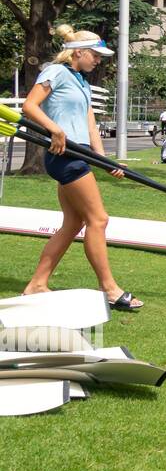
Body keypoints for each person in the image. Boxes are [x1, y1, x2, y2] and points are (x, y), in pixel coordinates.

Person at [20, 26, 140, 311]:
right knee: (99, 220)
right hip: (64, 156)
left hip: (80, 154)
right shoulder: (56, 72)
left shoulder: (81, 81)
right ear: (79, 52)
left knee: (74, 223)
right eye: (95, 55)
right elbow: (30, 106)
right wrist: (55, 131)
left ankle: (37, 284)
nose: (98, 61)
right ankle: (109, 289)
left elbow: (89, 124)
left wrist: (104, 160)